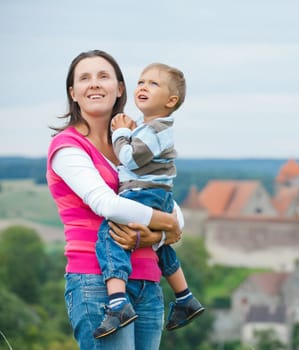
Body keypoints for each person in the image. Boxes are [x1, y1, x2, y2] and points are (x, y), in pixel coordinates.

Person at [47, 49, 182, 350]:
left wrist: (164, 230)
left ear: (119, 89)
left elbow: (164, 196)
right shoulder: (67, 147)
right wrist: (168, 226)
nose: (94, 84)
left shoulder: (134, 143)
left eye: (103, 76)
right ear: (74, 93)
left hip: (147, 280)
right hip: (97, 281)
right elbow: (106, 204)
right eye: (85, 78)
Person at [94, 63, 204, 339]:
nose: (143, 86)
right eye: (141, 81)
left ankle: (117, 303)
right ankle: (184, 297)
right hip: (159, 195)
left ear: (171, 100)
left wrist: (120, 132)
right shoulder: (152, 128)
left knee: (110, 235)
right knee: (162, 247)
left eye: (153, 84)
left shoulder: (156, 130)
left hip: (144, 192)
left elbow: (129, 158)